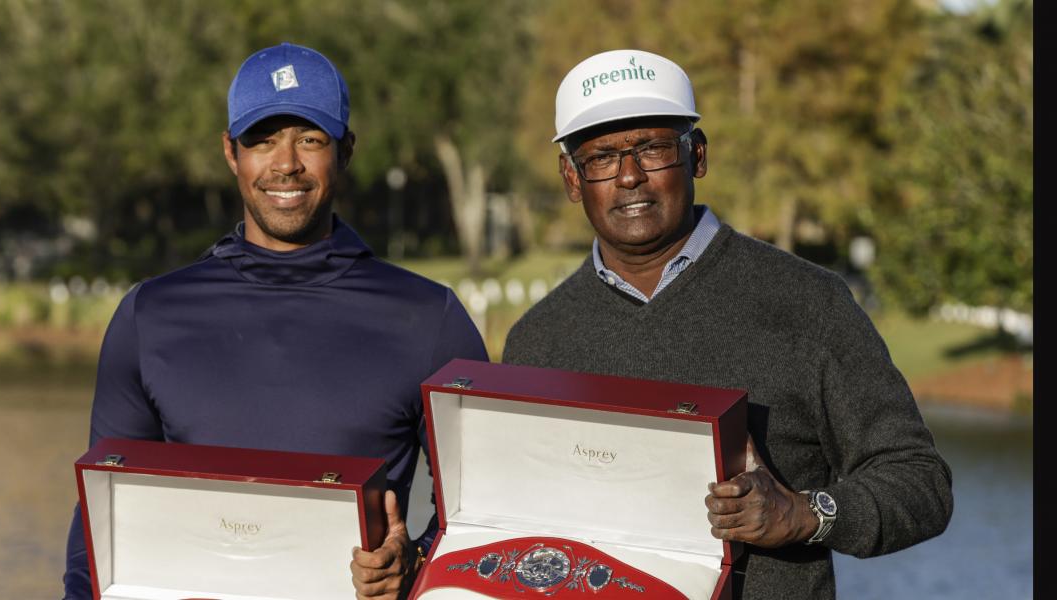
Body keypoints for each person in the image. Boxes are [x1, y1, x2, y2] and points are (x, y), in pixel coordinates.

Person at [501, 49, 952, 599]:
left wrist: (803, 513)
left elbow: (920, 483)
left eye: (653, 149)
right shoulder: (536, 339)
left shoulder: (808, 302)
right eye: (601, 158)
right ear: (572, 178)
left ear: (697, 156)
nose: (629, 176)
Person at [62, 42, 487, 599]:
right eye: (262, 139)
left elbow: (484, 517)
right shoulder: (150, 316)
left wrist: (413, 565)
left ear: (347, 151)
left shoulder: (430, 318)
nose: (285, 163)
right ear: (230, 152)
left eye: (309, 139)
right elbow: (99, 524)